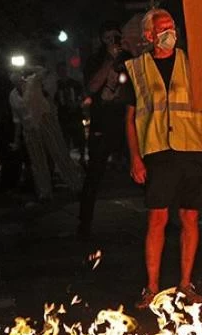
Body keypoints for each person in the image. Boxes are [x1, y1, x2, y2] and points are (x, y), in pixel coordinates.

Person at [121, 9, 202, 308]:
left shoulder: (194, 62)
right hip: (159, 152)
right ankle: (151, 288)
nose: (169, 32)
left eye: (172, 26)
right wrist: (135, 158)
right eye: (162, 28)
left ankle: (185, 284)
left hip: (194, 148)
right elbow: (130, 117)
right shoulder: (137, 69)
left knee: (190, 217)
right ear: (149, 35)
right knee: (157, 219)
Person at [77, 21, 129, 239]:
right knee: (94, 176)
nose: (112, 42)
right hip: (102, 121)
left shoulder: (128, 57)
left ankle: (162, 217)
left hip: (125, 121)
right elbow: (92, 86)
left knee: (143, 167)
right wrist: (109, 59)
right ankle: (84, 224)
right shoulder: (97, 59)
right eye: (107, 38)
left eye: (115, 37)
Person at [10, 65, 83, 202]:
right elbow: (17, 119)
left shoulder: (33, 82)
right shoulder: (13, 96)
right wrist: (17, 140)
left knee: (59, 153)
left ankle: (75, 185)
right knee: (38, 160)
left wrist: (29, 66)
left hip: (45, 120)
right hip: (30, 128)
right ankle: (45, 192)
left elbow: (44, 72)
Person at [54, 61, 86, 164]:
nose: (62, 72)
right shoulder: (56, 85)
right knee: (65, 138)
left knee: (79, 137)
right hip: (64, 116)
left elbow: (82, 96)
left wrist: (77, 104)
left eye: (64, 70)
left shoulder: (75, 83)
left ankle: (82, 156)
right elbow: (55, 100)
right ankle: (66, 158)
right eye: (60, 70)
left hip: (75, 115)